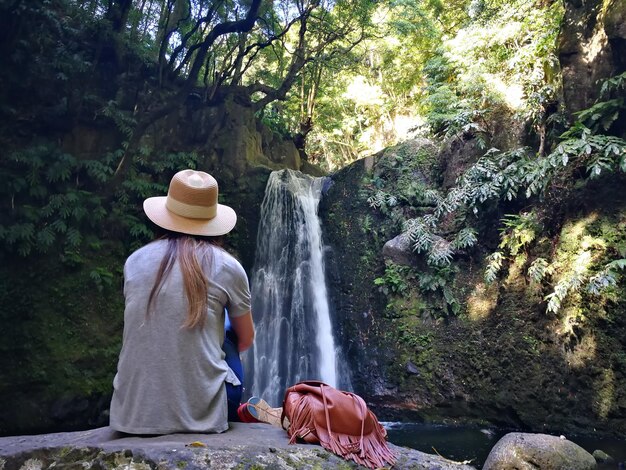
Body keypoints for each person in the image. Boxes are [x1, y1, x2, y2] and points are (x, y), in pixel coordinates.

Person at [109, 169, 255, 434]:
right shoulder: (227, 266)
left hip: (130, 416)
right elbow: (246, 339)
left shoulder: (134, 262)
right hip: (204, 418)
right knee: (227, 329)